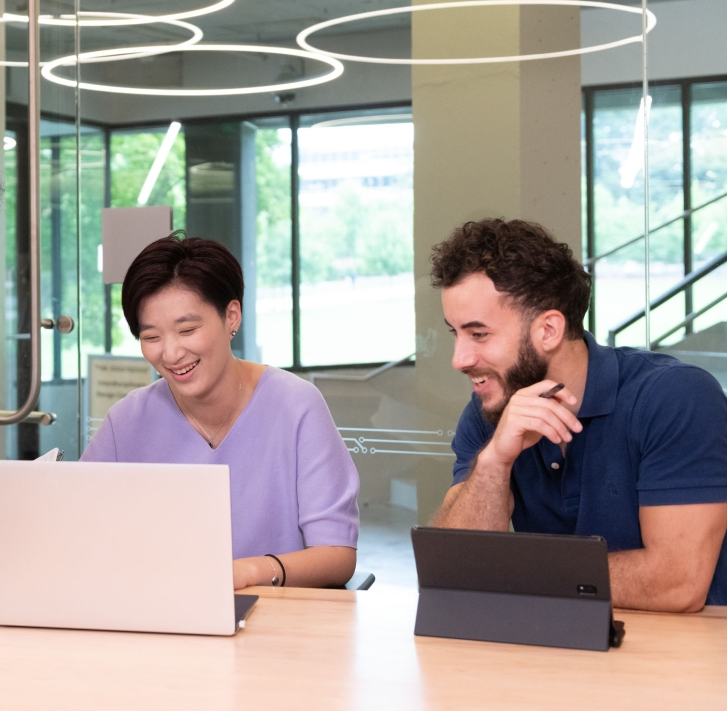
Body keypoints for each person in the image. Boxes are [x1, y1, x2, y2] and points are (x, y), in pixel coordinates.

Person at [431, 218, 727, 611]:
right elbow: (453, 570)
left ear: (549, 330)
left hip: (681, 659)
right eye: (456, 334)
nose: (460, 359)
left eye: (479, 334)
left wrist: (511, 573)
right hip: (559, 651)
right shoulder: (494, 407)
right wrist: (495, 461)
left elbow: (676, 583)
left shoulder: (675, 396)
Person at [81, 235, 360, 590]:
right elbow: (78, 529)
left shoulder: (296, 406)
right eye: (151, 337)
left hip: (275, 622)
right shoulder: (127, 421)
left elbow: (337, 556)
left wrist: (247, 573)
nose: (170, 354)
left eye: (187, 330)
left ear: (232, 315)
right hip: (159, 617)